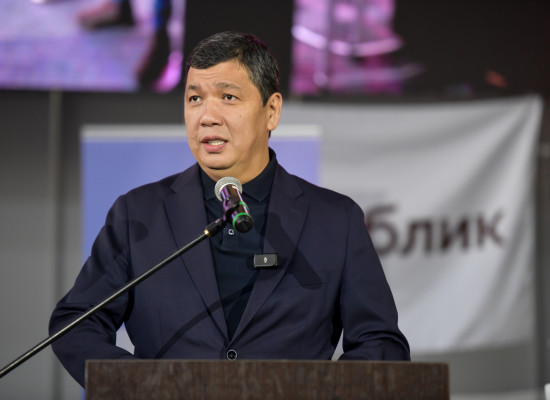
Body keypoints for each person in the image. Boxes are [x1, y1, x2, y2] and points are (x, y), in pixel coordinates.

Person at [49, 31, 410, 387]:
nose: (207, 116)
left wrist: (319, 391)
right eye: (194, 98)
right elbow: (76, 325)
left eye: (228, 97)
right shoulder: (138, 215)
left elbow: (381, 343)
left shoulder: (335, 220)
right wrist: (145, 386)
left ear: (272, 111)